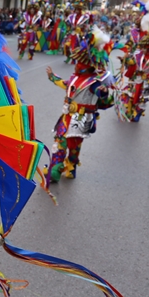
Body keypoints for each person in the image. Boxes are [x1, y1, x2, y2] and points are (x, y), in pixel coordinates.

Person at [45, 28, 114, 182]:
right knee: (60, 140)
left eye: (80, 62)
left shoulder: (94, 83)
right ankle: (55, 170)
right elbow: (64, 83)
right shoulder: (74, 78)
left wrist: (103, 92)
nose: (76, 65)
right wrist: (52, 77)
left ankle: (71, 166)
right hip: (67, 116)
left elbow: (105, 100)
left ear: (86, 65)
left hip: (81, 118)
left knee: (74, 146)